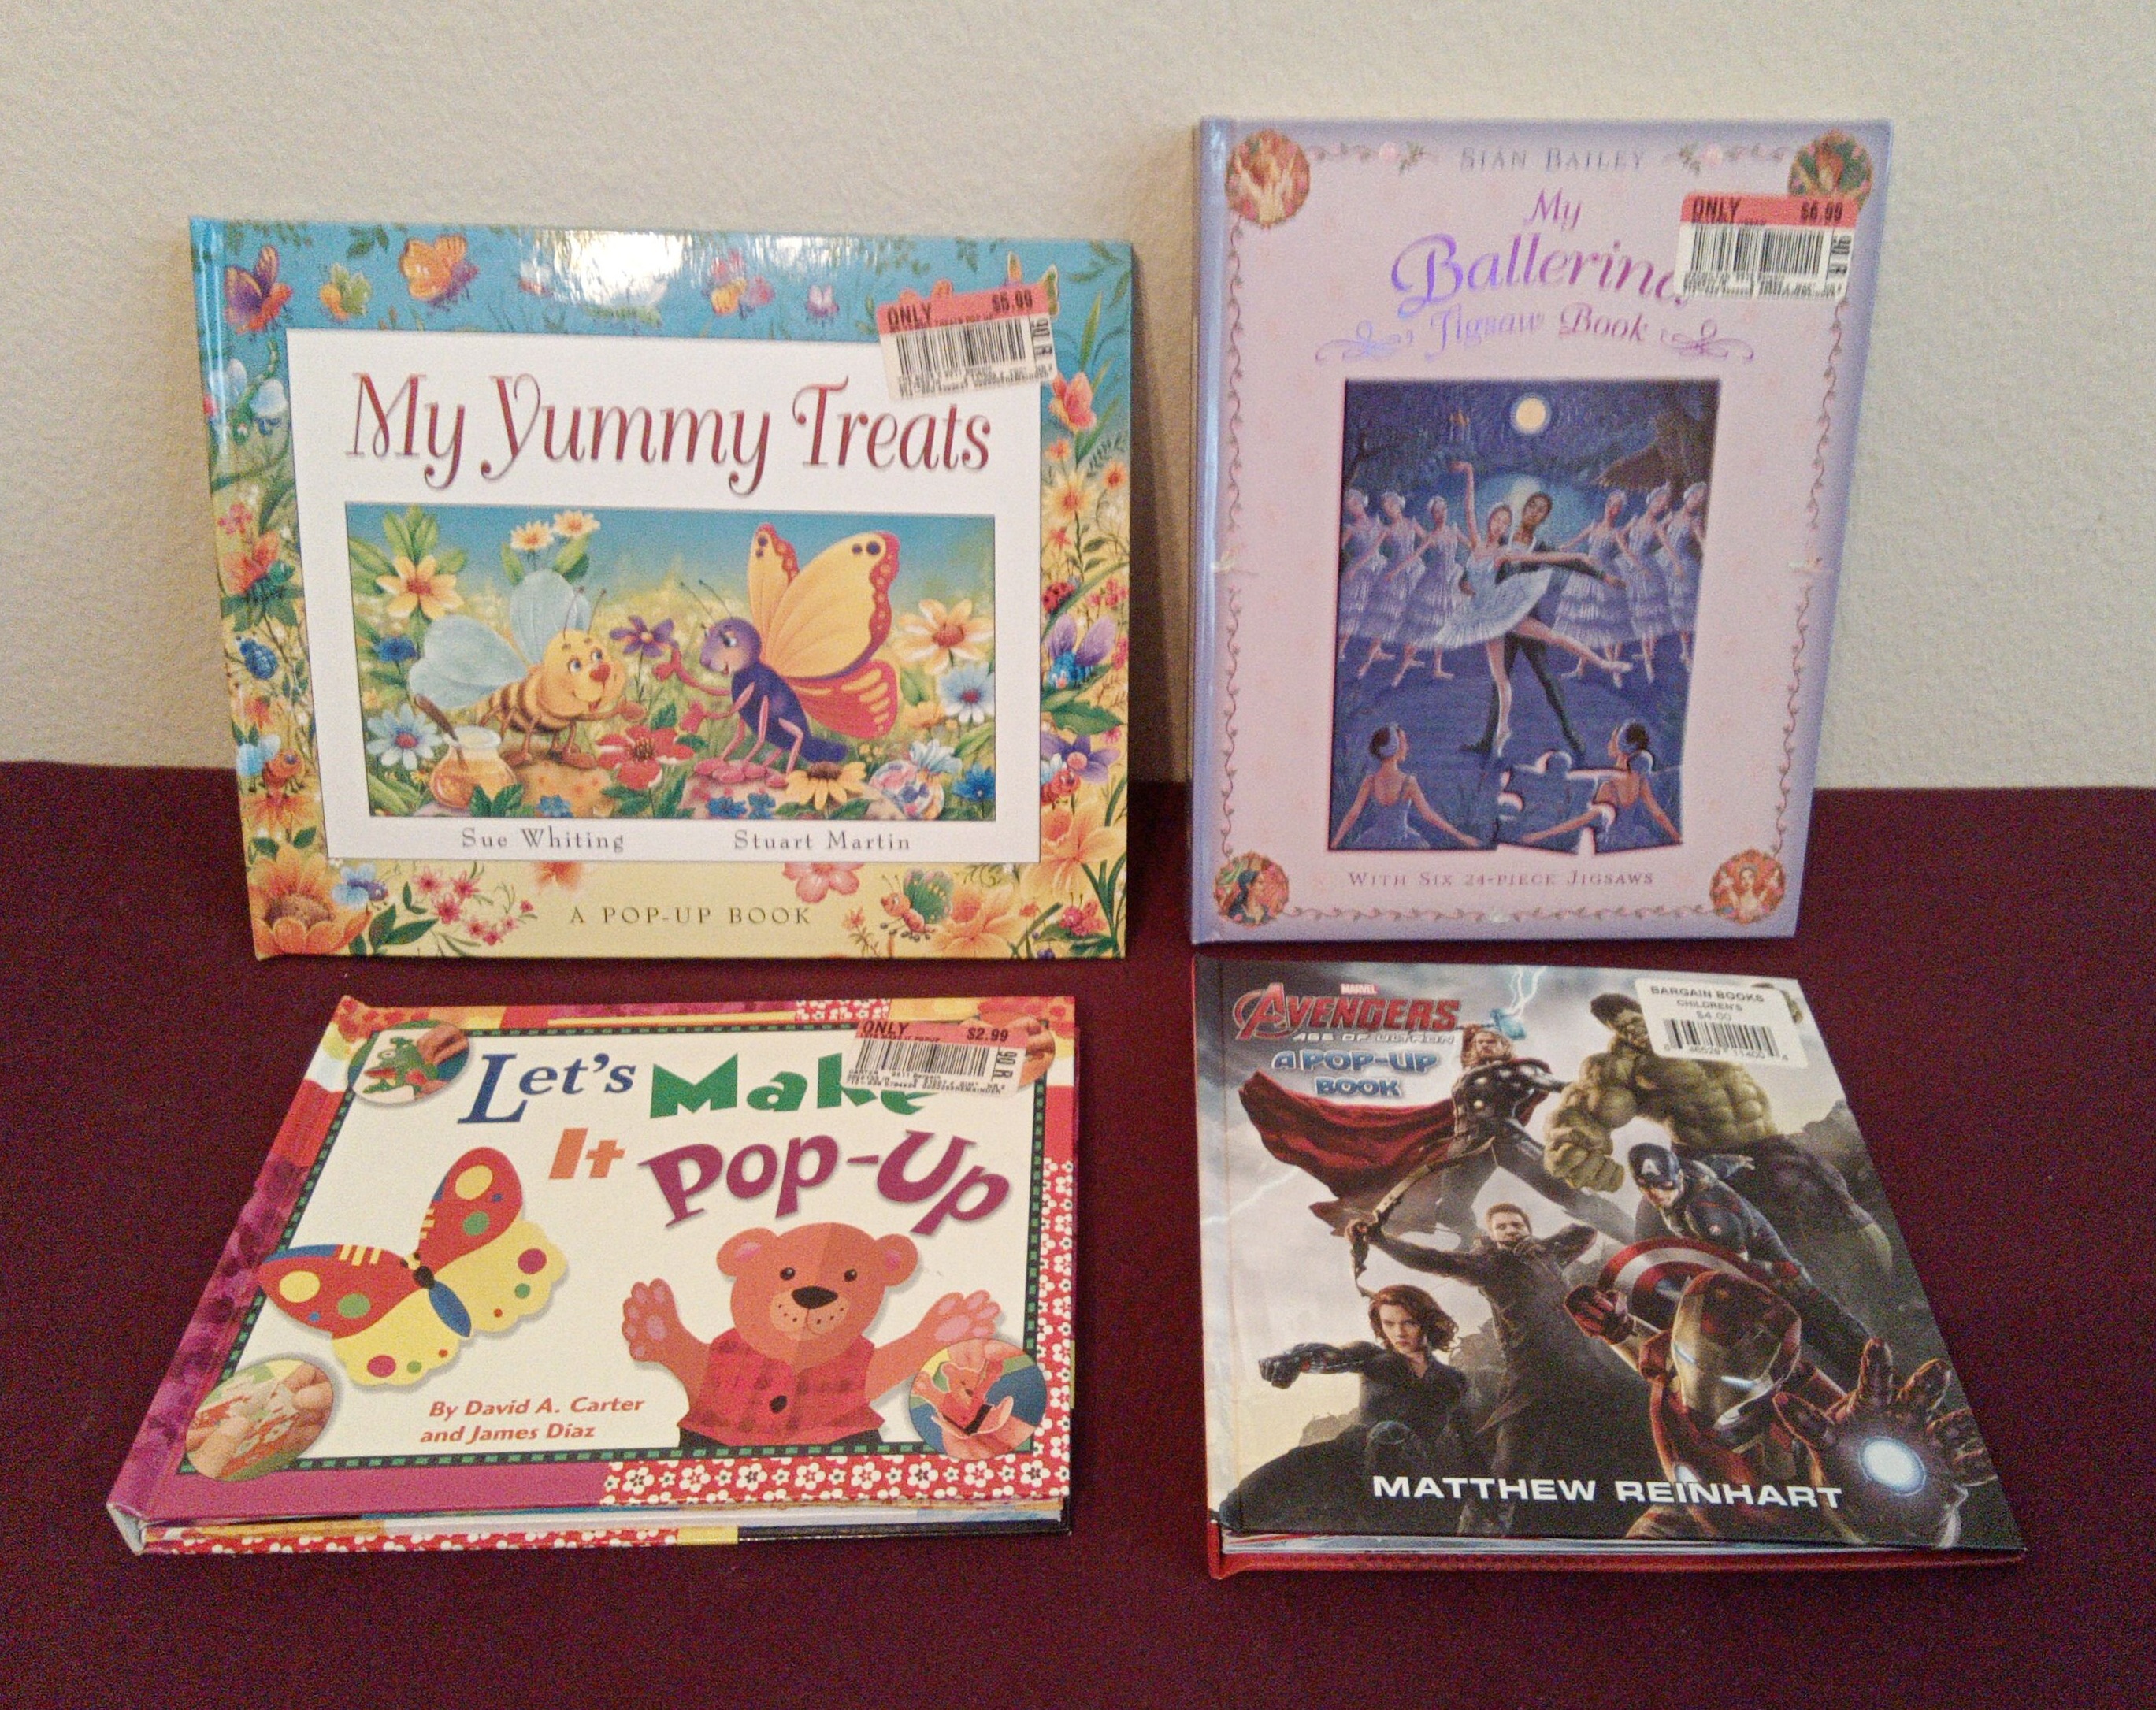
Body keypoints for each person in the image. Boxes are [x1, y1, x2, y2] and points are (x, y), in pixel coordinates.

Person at [1568, 1270, 1995, 1545]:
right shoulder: (1669, 1362)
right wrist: (1617, 1329)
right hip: (1695, 1508)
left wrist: (1918, 1517)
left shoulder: (1807, 1414)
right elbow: (1665, 1363)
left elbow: (1861, 1490)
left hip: (1772, 1536)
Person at [1543, 993, 1892, 1295]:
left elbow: (1774, 1014)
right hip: (1703, 1157)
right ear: (1614, 1030)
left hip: (1768, 1143)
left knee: (1838, 1210)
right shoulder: (1622, 1065)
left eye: (1636, 1019)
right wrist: (1574, 1147)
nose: (1635, 1029)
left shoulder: (1703, 1025)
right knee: (1689, 1242)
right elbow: (1583, 1108)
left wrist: (1773, 1004)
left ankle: (1879, 1295)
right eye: (1623, 1026)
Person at [1351, 1200, 1654, 1534]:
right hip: (1531, 1378)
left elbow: (1584, 1232)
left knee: (1644, 1414)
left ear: (1527, 1228)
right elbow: (1432, 1260)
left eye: (1516, 1224)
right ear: (1492, 1235)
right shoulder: (1488, 1264)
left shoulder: (1546, 1254)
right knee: (1507, 1475)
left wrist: (1540, 1247)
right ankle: (1475, 1541)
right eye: (1502, 1227)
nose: (1511, 1230)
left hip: (1583, 1368)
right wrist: (1381, 1240)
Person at [1217, 1285, 1480, 1536]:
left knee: (1388, 1432)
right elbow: (1335, 1357)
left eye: (1408, 1322)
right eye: (1389, 1324)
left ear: (1426, 1322)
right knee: (1235, 1509)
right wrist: (1295, 1360)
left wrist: (1484, 1501)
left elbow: (1468, 1444)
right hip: (1350, 1457)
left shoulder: (1453, 1380)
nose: (1398, 1332)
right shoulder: (1372, 1357)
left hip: (1411, 1475)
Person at [1627, 1141, 1873, 1385]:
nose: (1656, 1194)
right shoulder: (1687, 1170)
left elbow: (1737, 1262)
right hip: (1753, 1256)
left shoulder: (1702, 1213)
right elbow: (1714, 1166)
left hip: (1770, 1269)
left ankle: (1866, 1361)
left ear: (1678, 1177)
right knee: (1814, 1320)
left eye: (1664, 1185)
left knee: (1817, 1318)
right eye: (1647, 1186)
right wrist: (1736, 1161)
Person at [1436, 466, 1629, 759]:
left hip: (1526, 618)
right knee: (1499, 681)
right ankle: (1488, 740)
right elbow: (1475, 570)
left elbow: (1566, 562)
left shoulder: (1540, 546)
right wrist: (1465, 585)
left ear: (1543, 518)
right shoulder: (1502, 541)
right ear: (1523, 509)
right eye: (1532, 506)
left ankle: (1572, 735)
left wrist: (1603, 576)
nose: (1534, 512)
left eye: (1541, 511)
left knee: (1547, 679)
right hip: (1497, 620)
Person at [1520, 721, 1679, 851]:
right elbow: (1658, 813)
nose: (1608, 744)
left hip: (1612, 844)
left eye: (1612, 740)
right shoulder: (1639, 780)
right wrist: (1676, 837)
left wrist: (1542, 835)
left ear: (1621, 747)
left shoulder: (1609, 786)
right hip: (1635, 840)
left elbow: (1581, 820)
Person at [1331, 725, 1478, 849]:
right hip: (1405, 841)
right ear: (1394, 748)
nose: (1407, 748)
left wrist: (1335, 842)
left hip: (1373, 840)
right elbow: (1428, 815)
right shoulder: (1408, 782)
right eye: (1404, 743)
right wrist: (1460, 836)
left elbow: (1353, 814)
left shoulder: (1370, 781)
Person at [1551, 489, 1642, 679]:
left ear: (1619, 511)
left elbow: (1627, 552)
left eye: (1616, 506)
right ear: (1606, 505)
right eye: (1610, 503)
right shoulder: (1593, 526)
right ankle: (1581, 668)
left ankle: (1614, 670)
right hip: (1586, 576)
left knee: (1600, 624)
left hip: (1604, 577)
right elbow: (1573, 542)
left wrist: (1641, 569)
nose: (1612, 508)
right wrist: (1559, 549)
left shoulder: (1616, 533)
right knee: (1588, 622)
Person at [1383, 495, 1465, 684]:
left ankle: (1437, 668)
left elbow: (1473, 546)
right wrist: (1394, 571)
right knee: (1426, 627)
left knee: (1442, 624)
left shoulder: (1454, 530)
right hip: (1435, 582)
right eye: (1436, 512)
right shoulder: (1432, 536)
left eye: (1443, 509)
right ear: (1432, 515)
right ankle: (1401, 672)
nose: (1441, 514)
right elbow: (1413, 556)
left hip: (1451, 580)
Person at [1335, 488, 1386, 664]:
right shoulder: (1351, 528)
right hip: (1360, 571)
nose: (1354, 509)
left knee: (1381, 607)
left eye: (1356, 504)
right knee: (1354, 609)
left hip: (1378, 567)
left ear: (1362, 502)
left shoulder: (1377, 522)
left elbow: (1385, 540)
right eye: (1350, 507)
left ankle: (1376, 649)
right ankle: (1340, 649)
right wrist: (1352, 567)